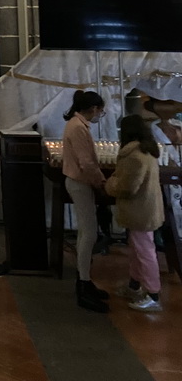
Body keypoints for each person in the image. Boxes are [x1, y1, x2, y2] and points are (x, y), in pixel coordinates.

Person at [105, 114, 165, 311]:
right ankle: (135, 285)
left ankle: (153, 293)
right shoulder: (146, 151)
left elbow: (127, 187)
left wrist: (110, 183)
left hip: (140, 211)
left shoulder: (134, 156)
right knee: (138, 250)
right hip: (145, 209)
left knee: (145, 252)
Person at [62, 89, 109, 312]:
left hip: (80, 182)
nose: (101, 114)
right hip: (80, 183)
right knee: (88, 233)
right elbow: (86, 162)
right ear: (93, 109)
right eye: (101, 111)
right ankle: (83, 282)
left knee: (86, 233)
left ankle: (86, 280)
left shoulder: (76, 124)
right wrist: (101, 182)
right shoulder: (78, 127)